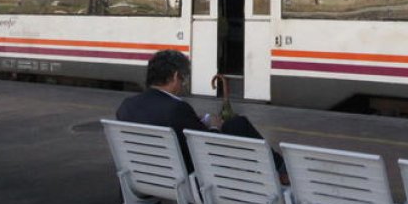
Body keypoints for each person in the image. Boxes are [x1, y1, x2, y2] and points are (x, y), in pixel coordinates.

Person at [116, 49, 284, 177]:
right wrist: (213, 126)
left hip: (144, 175)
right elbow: (207, 146)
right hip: (184, 177)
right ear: (175, 76)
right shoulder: (177, 108)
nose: (182, 84)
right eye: (183, 79)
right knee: (238, 124)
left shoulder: (127, 105)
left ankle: (279, 168)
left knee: (236, 124)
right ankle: (280, 169)